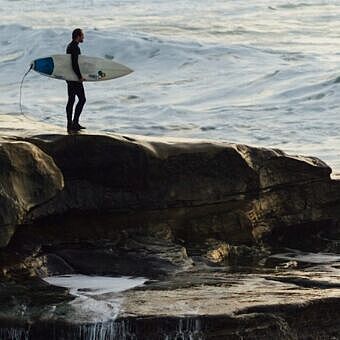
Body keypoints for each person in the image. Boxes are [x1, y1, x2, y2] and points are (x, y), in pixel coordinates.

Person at [66, 28, 86, 132]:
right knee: (82, 99)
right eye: (82, 35)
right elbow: (74, 64)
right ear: (78, 36)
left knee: (71, 100)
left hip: (70, 78)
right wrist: (79, 77)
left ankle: (70, 123)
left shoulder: (70, 46)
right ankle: (75, 122)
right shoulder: (75, 48)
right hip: (74, 78)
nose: (83, 37)